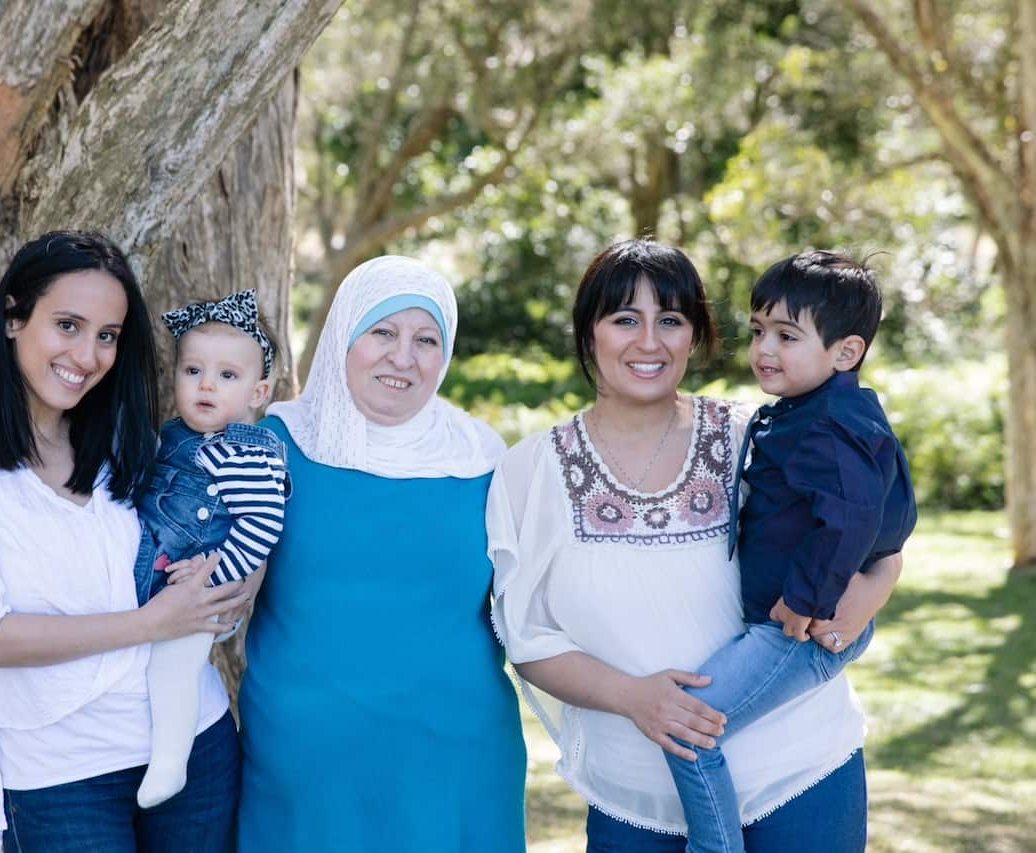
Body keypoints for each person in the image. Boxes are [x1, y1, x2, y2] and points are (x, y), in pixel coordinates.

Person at [487, 239, 904, 853]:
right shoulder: (530, 472)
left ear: (696, 337)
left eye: (672, 321)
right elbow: (528, 640)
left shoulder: (755, 435)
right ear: (589, 331)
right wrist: (633, 698)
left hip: (801, 772)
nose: (649, 342)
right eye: (625, 319)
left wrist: (852, 614)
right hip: (635, 801)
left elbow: (876, 535)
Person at [0, 231, 252, 851]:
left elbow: (202, 544)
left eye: (107, 335)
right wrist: (151, 622)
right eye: (67, 325)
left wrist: (221, 594)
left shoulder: (128, 444)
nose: (87, 355)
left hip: (196, 744)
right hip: (62, 777)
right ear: (13, 319)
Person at [236, 255, 527, 852]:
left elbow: (527, 604)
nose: (404, 357)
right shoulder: (273, 446)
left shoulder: (483, 457)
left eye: (426, 339)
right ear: (344, 332)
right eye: (383, 332)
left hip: (458, 764)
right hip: (307, 765)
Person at [661, 250, 917, 852]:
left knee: (689, 729)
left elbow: (856, 517)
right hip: (791, 621)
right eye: (758, 332)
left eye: (787, 335)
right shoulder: (809, 411)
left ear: (845, 353)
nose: (764, 350)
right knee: (691, 725)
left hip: (795, 629)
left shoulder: (832, 424)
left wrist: (804, 600)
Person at [134, 289, 289, 808]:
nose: (205, 384)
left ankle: (170, 763)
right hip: (161, 577)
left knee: (173, 666)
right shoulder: (175, 436)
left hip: (200, 592)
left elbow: (263, 519)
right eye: (193, 370)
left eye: (227, 376)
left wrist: (219, 572)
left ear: (258, 393)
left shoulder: (240, 450)